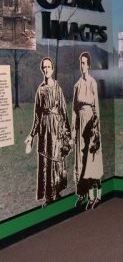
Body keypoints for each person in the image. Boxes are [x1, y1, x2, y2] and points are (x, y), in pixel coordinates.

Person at [25, 57, 71, 208]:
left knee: (57, 160)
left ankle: (57, 191)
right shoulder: (40, 90)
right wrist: (32, 135)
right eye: (44, 67)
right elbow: (37, 116)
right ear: (42, 69)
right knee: (46, 163)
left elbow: (64, 112)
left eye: (48, 67)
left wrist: (68, 136)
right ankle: (49, 196)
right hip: (45, 131)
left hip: (57, 129)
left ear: (53, 68)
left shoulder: (58, 88)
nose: (46, 69)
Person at [72, 52, 103, 210]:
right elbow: (74, 110)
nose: (82, 66)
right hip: (80, 124)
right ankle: (82, 194)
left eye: (84, 63)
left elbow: (96, 106)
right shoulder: (77, 85)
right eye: (81, 63)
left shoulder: (92, 83)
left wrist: (96, 128)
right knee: (80, 158)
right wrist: (73, 131)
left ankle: (94, 196)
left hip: (90, 123)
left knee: (90, 159)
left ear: (89, 65)